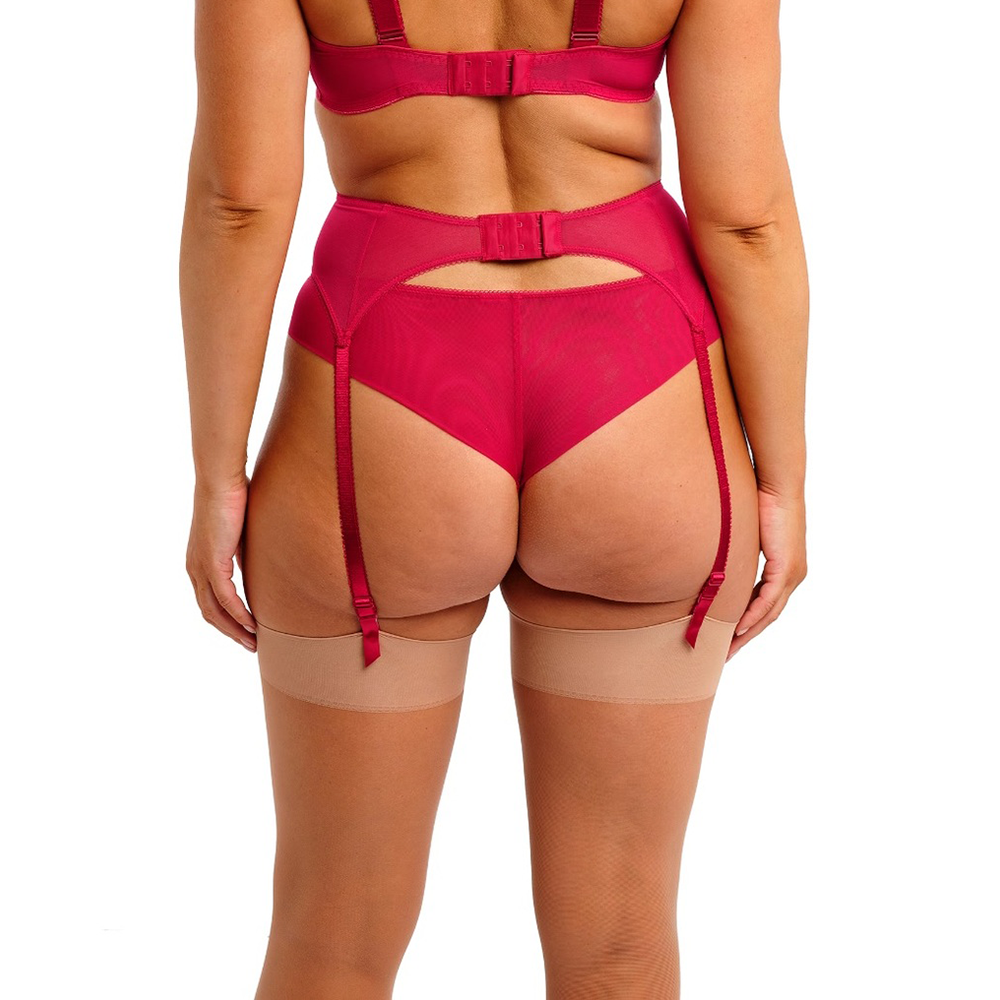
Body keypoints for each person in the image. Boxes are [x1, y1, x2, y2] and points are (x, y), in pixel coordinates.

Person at [180, 0, 808, 995]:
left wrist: (218, 471)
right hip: (638, 388)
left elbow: (240, 200)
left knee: (332, 936)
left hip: (381, 388)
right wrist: (781, 475)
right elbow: (746, 215)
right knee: (618, 943)